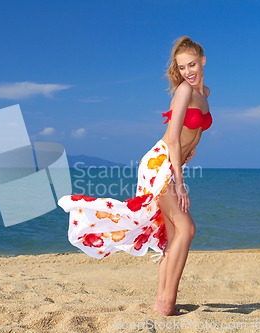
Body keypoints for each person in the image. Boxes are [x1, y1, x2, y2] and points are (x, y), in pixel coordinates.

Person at [57, 36, 212, 316]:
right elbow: (174, 139)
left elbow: (193, 134)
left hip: (174, 161)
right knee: (187, 229)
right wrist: (180, 183)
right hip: (161, 162)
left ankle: (162, 304)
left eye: (192, 65)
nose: (189, 71)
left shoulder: (205, 93)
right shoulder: (183, 92)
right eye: (182, 67)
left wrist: (193, 152)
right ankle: (166, 303)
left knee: (175, 234)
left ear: (202, 60)